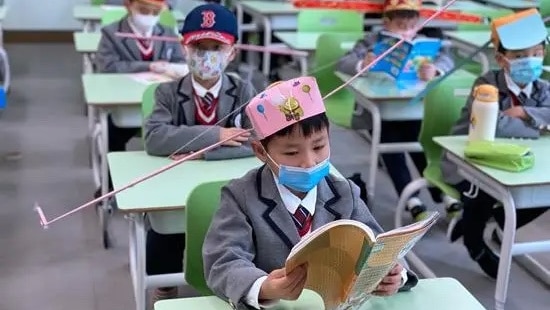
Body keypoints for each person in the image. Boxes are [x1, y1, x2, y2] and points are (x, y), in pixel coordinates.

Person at [202, 77, 418, 309]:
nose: (309, 162)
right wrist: (264, 287)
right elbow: (223, 261)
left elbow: (380, 247)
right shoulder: (241, 196)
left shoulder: (345, 193)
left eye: (318, 146)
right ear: (261, 151)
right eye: (292, 152)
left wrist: (395, 274)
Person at [143, 3, 256, 300]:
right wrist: (217, 135)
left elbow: (258, 138)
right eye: (199, 47)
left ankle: (234, 279)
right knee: (163, 231)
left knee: (238, 223)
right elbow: (155, 138)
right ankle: (164, 283)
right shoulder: (167, 93)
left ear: (232, 52)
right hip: (174, 187)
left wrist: (203, 152)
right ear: (184, 49)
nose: (207, 55)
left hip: (229, 183)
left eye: (216, 47)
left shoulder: (243, 90)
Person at [443, 9, 550, 279]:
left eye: (536, 54)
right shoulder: (486, 84)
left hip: (519, 164)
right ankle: (474, 243)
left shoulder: (542, 87)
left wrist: (525, 114)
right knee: (482, 193)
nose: (531, 61)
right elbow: (493, 126)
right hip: (470, 161)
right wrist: (539, 125)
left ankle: (498, 220)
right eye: (520, 56)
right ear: (502, 59)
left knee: (542, 192)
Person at [337, 0, 456, 221]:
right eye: (400, 25)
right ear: (386, 22)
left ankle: (443, 195)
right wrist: (363, 64)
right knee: (390, 146)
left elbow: (448, 59)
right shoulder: (371, 41)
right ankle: (412, 200)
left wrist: (436, 70)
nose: (407, 31)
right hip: (381, 112)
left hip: (415, 109)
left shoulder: (424, 43)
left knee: (421, 144)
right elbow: (343, 62)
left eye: (411, 25)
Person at [95, 0, 185, 198]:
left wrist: (173, 69)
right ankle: (110, 183)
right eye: (144, 11)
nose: (149, 16)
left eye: (155, 12)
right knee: (113, 132)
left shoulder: (168, 32)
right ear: (129, 6)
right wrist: (148, 66)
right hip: (126, 99)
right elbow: (107, 66)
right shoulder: (112, 33)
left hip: (162, 101)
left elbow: (181, 62)